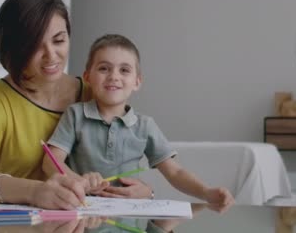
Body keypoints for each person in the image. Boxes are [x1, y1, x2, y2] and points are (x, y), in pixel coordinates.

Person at [0, 0, 152, 209]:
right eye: (35, 46)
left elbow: (122, 161)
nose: (51, 55)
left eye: (59, 40)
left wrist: (145, 191)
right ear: (13, 49)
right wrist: (34, 191)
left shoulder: (94, 92)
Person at [42, 34, 234, 212]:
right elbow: (51, 161)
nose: (114, 76)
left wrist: (206, 193)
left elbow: (175, 172)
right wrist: (78, 182)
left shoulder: (145, 125)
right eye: (103, 68)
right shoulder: (75, 114)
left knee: (165, 219)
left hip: (129, 216)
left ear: (137, 82)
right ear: (87, 77)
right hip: (82, 215)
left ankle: (162, 224)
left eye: (124, 70)